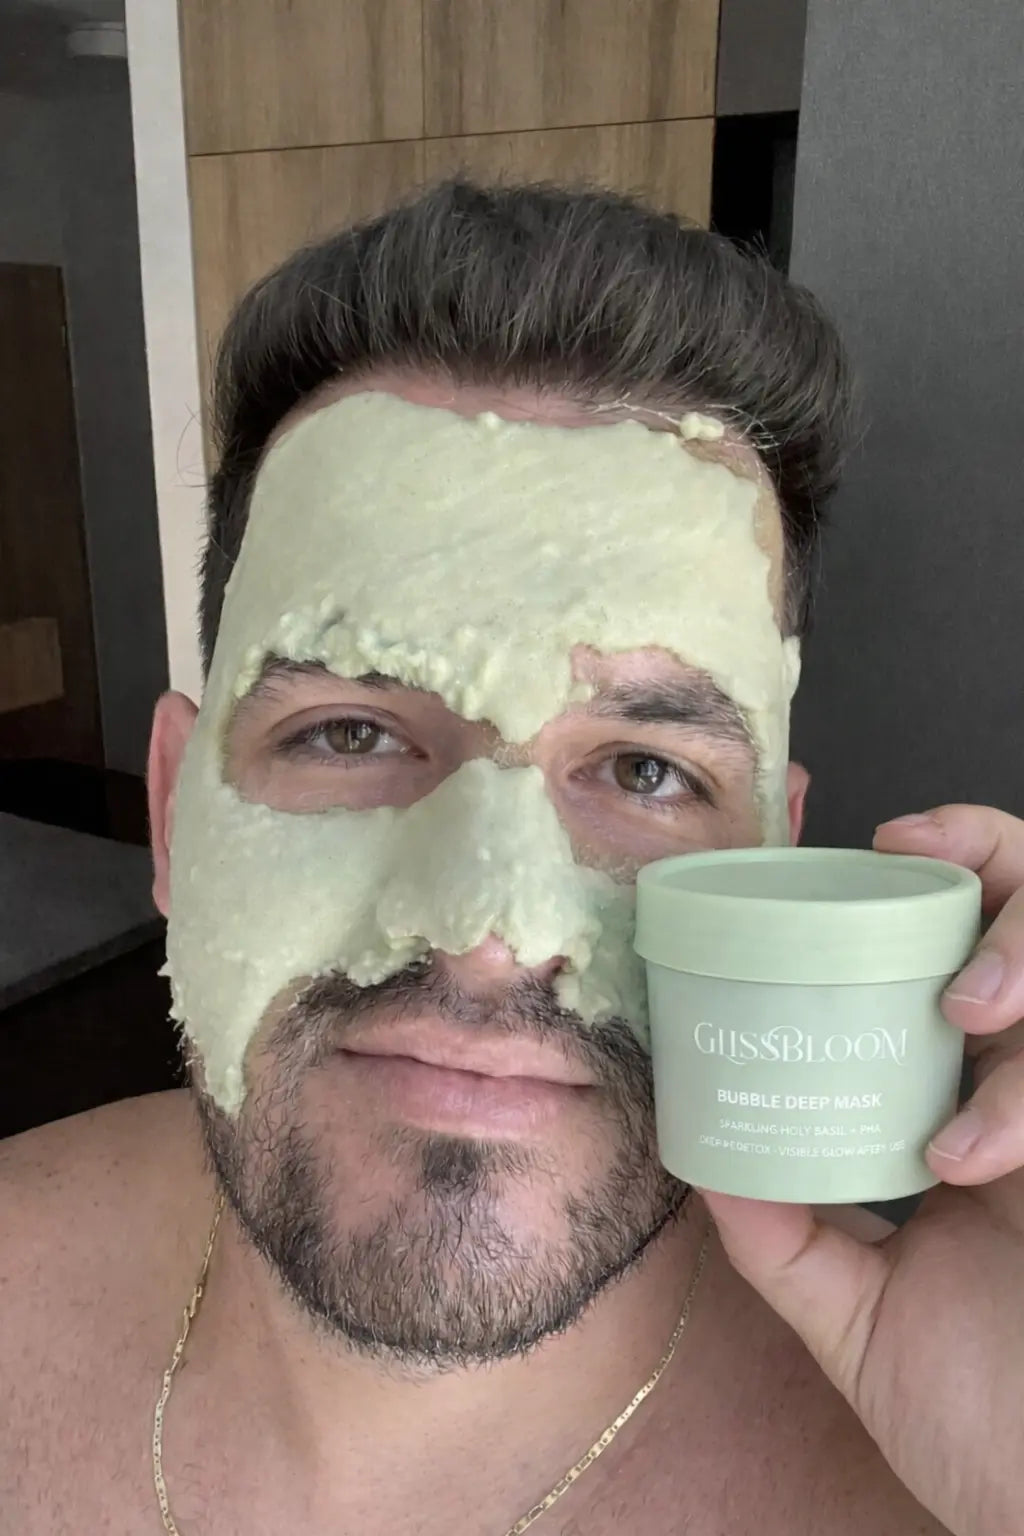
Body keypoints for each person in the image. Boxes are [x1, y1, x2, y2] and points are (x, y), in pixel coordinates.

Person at [2, 180, 1022, 1536]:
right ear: (176, 815)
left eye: (646, 771)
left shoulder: (944, 1467)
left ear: (774, 862)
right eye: (351, 731)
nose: (490, 937)